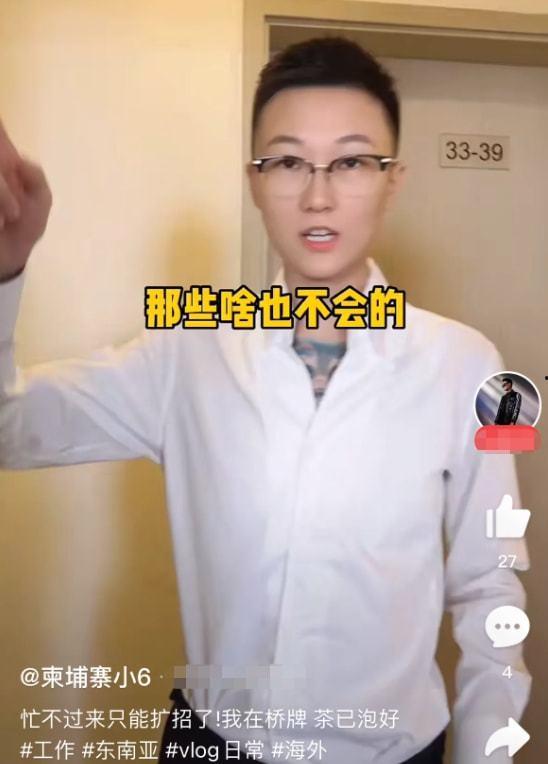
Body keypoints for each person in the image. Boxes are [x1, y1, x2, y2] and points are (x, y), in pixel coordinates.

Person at [0, 35, 531, 764]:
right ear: (253, 181)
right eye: (287, 162)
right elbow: (9, 428)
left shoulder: (469, 366)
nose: (318, 196)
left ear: (393, 180)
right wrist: (6, 272)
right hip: (213, 742)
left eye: (352, 162)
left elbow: (491, 586)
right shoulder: (190, 350)